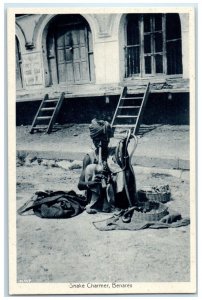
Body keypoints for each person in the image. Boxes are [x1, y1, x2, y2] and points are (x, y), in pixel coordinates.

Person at [78, 118, 137, 214]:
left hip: (112, 192)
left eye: (104, 140)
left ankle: (117, 203)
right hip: (95, 193)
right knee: (91, 168)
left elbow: (127, 171)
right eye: (97, 140)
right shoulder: (89, 157)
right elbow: (80, 185)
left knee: (121, 171)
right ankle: (96, 203)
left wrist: (124, 147)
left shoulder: (114, 153)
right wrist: (92, 182)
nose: (100, 144)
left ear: (109, 139)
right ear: (93, 140)